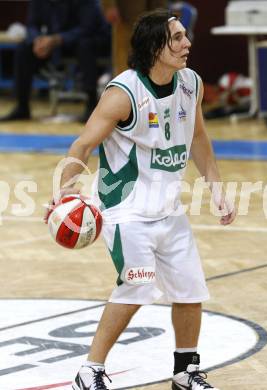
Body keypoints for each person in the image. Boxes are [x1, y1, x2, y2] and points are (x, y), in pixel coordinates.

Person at [46, 9, 236, 390]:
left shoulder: (191, 83)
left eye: (185, 36)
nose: (188, 43)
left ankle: (185, 371)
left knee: (189, 290)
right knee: (137, 286)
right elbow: (83, 144)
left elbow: (197, 137)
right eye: (178, 38)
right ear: (155, 47)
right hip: (125, 211)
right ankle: (90, 371)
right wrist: (63, 190)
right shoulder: (123, 93)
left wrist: (215, 186)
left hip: (168, 210)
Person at [0, 0, 111, 123]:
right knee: (23, 49)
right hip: (56, 42)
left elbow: (87, 28)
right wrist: (38, 40)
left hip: (88, 40)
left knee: (84, 46)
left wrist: (57, 39)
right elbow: (31, 25)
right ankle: (22, 107)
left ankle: (91, 104)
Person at [101, 0, 168, 75]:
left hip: (154, 7)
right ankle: (125, 83)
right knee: (126, 52)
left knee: (155, 48)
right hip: (126, 12)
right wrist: (108, 5)